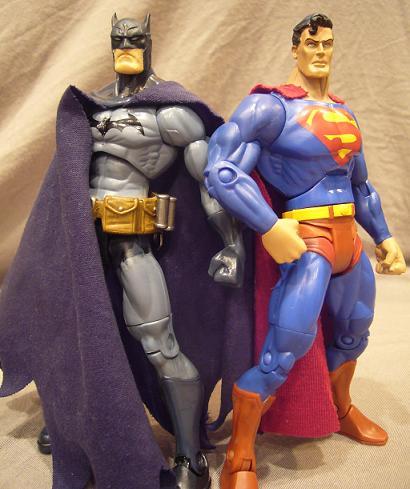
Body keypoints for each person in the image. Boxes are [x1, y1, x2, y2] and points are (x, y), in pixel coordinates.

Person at [0, 13, 246, 489]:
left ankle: (189, 454)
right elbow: (61, 180)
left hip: (131, 243)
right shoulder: (89, 107)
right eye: (120, 38)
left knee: (160, 341)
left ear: (149, 42)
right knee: (67, 335)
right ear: (111, 44)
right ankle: (73, 425)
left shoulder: (170, 114)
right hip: (77, 244)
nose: (127, 44)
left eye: (136, 38)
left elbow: (211, 181)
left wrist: (232, 243)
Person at [205, 13, 406, 489]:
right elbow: (222, 170)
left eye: (327, 44)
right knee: (282, 351)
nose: (320, 51)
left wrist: (384, 236)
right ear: (295, 49)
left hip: (349, 243)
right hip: (309, 241)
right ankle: (240, 453)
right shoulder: (269, 107)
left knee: (355, 332)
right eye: (311, 43)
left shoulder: (344, 114)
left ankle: (341, 408)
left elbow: (362, 186)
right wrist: (270, 225)